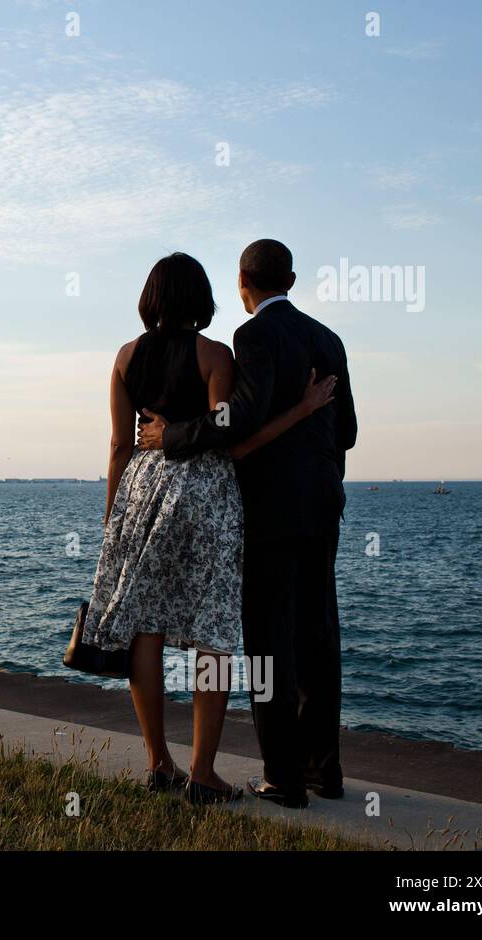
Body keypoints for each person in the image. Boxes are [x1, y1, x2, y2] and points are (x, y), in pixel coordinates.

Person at [81, 251, 336, 806]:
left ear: (149, 298)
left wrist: (112, 518)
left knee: (143, 625)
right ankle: (203, 771)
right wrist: (300, 410)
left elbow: (119, 446)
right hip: (205, 494)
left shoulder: (124, 358)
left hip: (141, 490)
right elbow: (229, 434)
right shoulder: (215, 354)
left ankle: (158, 763)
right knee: (212, 630)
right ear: (203, 298)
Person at [139, 239, 357, 809]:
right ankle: (323, 774)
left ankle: (284, 779)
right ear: (291, 278)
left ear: (244, 283)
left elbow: (238, 419)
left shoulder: (253, 336)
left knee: (268, 645)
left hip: (269, 511)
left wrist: (174, 436)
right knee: (318, 638)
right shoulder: (329, 339)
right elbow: (349, 430)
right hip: (323, 505)